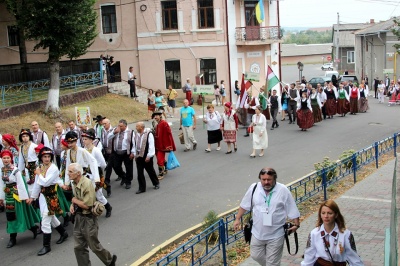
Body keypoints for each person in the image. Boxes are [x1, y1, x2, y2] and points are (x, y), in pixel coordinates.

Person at [233, 168, 300, 266]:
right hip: (257, 233)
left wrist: (297, 224)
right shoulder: (254, 187)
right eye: (263, 179)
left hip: (276, 234)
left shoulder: (282, 190)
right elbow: (245, 204)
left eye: (269, 179)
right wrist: (237, 218)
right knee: (256, 256)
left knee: (272, 263)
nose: (266, 182)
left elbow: (291, 207)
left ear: (274, 179)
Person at [68, 163, 117, 266]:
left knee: (94, 246)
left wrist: (74, 200)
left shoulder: (87, 183)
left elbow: (87, 205)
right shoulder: (74, 183)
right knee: (78, 247)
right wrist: (72, 205)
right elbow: (76, 198)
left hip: (88, 219)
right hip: (78, 217)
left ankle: (109, 260)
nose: (68, 174)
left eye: (70, 172)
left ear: (78, 173)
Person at [28, 147, 69, 256]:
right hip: (42, 197)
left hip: (51, 196)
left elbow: (45, 182)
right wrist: (33, 197)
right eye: (44, 156)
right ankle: (63, 233)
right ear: (41, 157)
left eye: (49, 156)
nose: (47, 159)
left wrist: (38, 174)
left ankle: (47, 246)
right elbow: (38, 184)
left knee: (45, 220)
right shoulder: (40, 167)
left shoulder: (54, 168)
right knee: (50, 217)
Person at [301, 199, 364, 266]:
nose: (326, 216)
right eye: (323, 213)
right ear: (320, 215)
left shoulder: (346, 234)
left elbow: (353, 258)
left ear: (336, 215)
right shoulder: (314, 233)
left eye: (330, 213)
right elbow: (309, 257)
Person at [0, 150, 40, 248]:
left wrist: (25, 198)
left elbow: (21, 184)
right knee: (11, 217)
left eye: (7, 158)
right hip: (8, 196)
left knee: (17, 216)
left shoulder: (15, 170)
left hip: (17, 196)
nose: (6, 160)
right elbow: (1, 184)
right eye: (4, 158)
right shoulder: (2, 170)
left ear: (11, 159)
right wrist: (1, 197)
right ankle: (17, 235)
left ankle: (17, 235)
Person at [81, 129, 113, 217]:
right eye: (83, 139)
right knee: (88, 194)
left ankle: (108, 207)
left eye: (86, 139)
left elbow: (103, 163)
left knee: (98, 194)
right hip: (87, 175)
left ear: (91, 140)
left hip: (96, 175)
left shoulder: (96, 150)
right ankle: (91, 211)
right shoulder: (83, 150)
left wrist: (96, 169)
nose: (84, 141)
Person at [107, 119, 135, 189]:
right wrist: (114, 132)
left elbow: (134, 143)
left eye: (121, 126)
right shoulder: (116, 130)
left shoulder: (130, 132)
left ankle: (128, 182)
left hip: (126, 152)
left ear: (125, 126)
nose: (119, 127)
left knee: (128, 168)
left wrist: (133, 152)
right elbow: (108, 137)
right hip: (117, 152)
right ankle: (123, 176)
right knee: (116, 166)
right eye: (118, 126)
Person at [133, 122, 160, 194]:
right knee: (139, 172)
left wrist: (149, 156)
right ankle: (142, 188)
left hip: (146, 155)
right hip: (139, 155)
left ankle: (156, 183)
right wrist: (135, 154)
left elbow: (151, 146)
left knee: (150, 170)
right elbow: (134, 144)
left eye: (137, 126)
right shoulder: (136, 134)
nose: (136, 127)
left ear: (141, 127)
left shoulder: (148, 134)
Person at [152, 110, 176, 180]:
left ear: (160, 116)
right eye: (154, 116)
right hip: (156, 144)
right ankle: (165, 168)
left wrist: (168, 145)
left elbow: (168, 134)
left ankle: (161, 173)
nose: (155, 117)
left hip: (162, 145)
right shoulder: (156, 124)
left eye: (157, 116)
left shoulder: (164, 123)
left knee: (159, 159)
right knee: (160, 158)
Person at [101, 119, 114, 197]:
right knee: (114, 166)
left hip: (111, 151)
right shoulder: (103, 130)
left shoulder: (113, 130)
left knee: (109, 166)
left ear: (109, 123)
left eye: (105, 123)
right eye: (103, 124)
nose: (104, 125)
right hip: (105, 150)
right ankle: (122, 175)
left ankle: (107, 180)